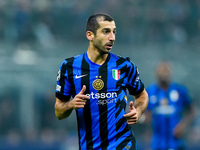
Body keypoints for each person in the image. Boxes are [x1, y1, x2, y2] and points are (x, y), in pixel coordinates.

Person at [54, 13, 149, 150]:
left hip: (122, 143)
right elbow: (59, 112)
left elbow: (142, 94)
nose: (112, 38)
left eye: (114, 32)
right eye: (106, 32)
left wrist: (138, 112)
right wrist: (71, 104)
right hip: (90, 146)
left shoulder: (125, 66)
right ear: (90, 35)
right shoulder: (69, 66)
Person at [146, 62, 195, 150]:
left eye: (166, 71)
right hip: (157, 142)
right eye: (162, 71)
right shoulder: (150, 91)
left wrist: (183, 125)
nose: (164, 74)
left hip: (176, 141)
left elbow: (192, 110)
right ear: (156, 73)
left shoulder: (179, 90)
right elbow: (146, 113)